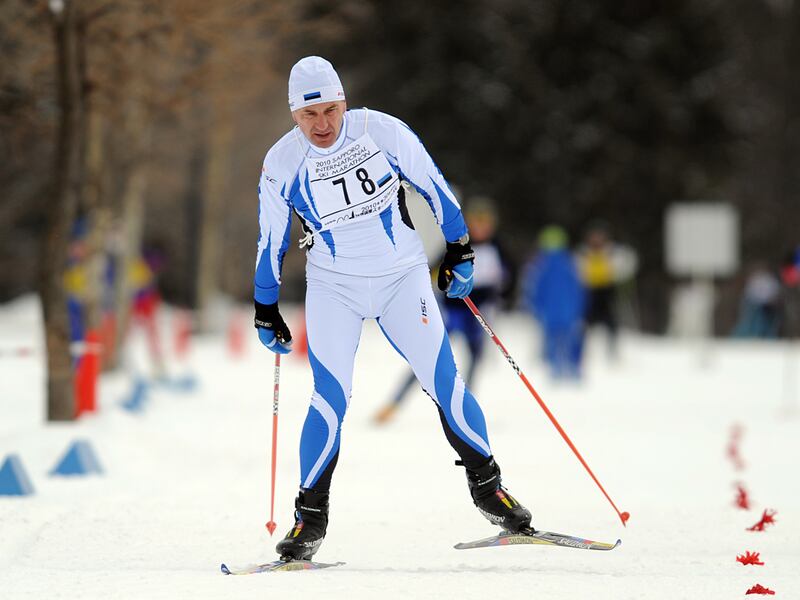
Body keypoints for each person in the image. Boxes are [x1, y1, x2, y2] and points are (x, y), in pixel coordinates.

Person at [253, 56, 532, 561]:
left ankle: (490, 490)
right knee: (329, 399)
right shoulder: (281, 162)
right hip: (333, 287)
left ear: (344, 102)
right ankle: (308, 522)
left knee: (445, 383)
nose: (322, 125)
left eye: (331, 110)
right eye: (309, 115)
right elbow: (270, 240)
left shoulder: (381, 130)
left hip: (402, 278)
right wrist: (265, 307)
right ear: (294, 115)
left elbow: (434, 187)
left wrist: (460, 248)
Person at [373, 198, 515, 423]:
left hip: (478, 314)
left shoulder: (498, 247)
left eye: (484, 223)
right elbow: (434, 270)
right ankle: (394, 403)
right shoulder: (459, 244)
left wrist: (501, 297)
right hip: (453, 311)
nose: (480, 228)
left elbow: (508, 277)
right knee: (430, 357)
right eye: (476, 222)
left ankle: (466, 410)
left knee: (474, 360)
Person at [522, 226, 586, 379]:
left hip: (558, 310)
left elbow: (577, 288)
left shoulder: (561, 263)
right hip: (561, 310)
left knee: (563, 339)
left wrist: (534, 306)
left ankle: (565, 367)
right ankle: (561, 368)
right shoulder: (557, 264)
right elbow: (535, 289)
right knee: (560, 339)